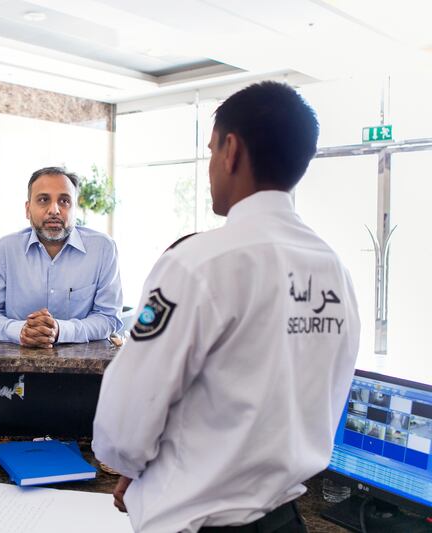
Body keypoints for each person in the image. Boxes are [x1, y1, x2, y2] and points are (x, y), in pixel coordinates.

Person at [92, 81, 360, 533]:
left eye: (212, 148)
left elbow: (125, 420)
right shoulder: (333, 269)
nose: (212, 164)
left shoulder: (197, 264)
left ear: (231, 150)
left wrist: (133, 468)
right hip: (287, 520)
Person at [0, 166, 123, 347]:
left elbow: (108, 317)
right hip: (14, 370)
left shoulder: (103, 249)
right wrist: (20, 331)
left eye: (64, 201)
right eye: (43, 200)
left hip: (85, 371)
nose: (54, 210)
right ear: (28, 209)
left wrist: (60, 330)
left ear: (76, 209)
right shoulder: (5, 249)